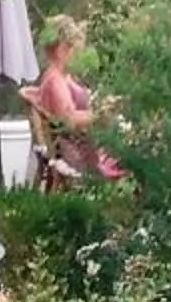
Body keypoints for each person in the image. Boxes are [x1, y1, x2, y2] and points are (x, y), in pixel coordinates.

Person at [23, 15, 123, 181]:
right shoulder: (55, 81)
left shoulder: (61, 77)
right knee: (135, 155)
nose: (79, 57)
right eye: (77, 51)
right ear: (62, 49)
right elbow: (68, 120)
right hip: (76, 156)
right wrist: (100, 113)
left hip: (82, 147)